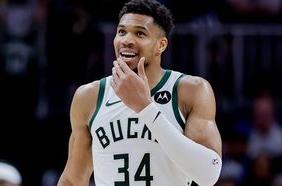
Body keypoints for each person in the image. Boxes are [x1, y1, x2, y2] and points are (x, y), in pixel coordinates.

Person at [57, 0, 222, 185]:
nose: (126, 40)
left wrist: (146, 108)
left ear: (161, 45)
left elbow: (208, 175)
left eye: (139, 33)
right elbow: (72, 180)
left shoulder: (190, 90)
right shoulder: (89, 97)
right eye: (121, 32)